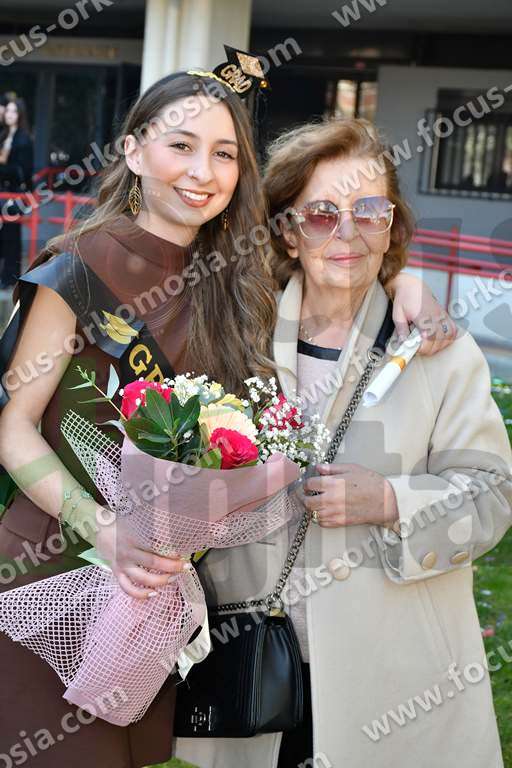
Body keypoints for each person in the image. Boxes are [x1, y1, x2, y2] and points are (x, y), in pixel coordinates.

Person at [0, 69, 451, 767]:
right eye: (181, 145)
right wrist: (105, 531)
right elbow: (14, 426)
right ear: (133, 150)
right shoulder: (79, 267)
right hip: (52, 567)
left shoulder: (239, 281)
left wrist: (406, 283)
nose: (202, 172)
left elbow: (338, 266)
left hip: (157, 586)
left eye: (224, 154)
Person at [174, 118, 512, 768]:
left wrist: (389, 500)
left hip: (393, 677)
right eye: (322, 214)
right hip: (253, 664)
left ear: (392, 225)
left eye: (370, 212)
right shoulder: (233, 342)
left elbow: (493, 495)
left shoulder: (438, 351)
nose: (348, 233)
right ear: (287, 230)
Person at [0, 96, 34, 288]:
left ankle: (10, 278)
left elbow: (24, 171)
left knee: (11, 235)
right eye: (8, 111)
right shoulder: (3, 135)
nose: (10, 114)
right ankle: (4, 276)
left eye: (14, 111)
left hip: (14, 194)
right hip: (2, 192)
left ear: (20, 115)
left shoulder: (24, 138)